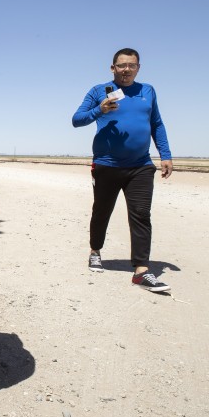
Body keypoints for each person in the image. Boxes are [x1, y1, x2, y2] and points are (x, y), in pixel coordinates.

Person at [72, 47, 173, 292]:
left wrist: (166, 155)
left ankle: (141, 270)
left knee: (141, 214)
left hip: (140, 165)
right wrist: (100, 110)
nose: (126, 69)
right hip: (106, 165)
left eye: (132, 65)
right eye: (122, 65)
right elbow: (77, 120)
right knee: (102, 210)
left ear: (138, 67)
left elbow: (156, 123)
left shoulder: (147, 91)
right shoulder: (99, 91)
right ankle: (95, 250)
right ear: (113, 68)